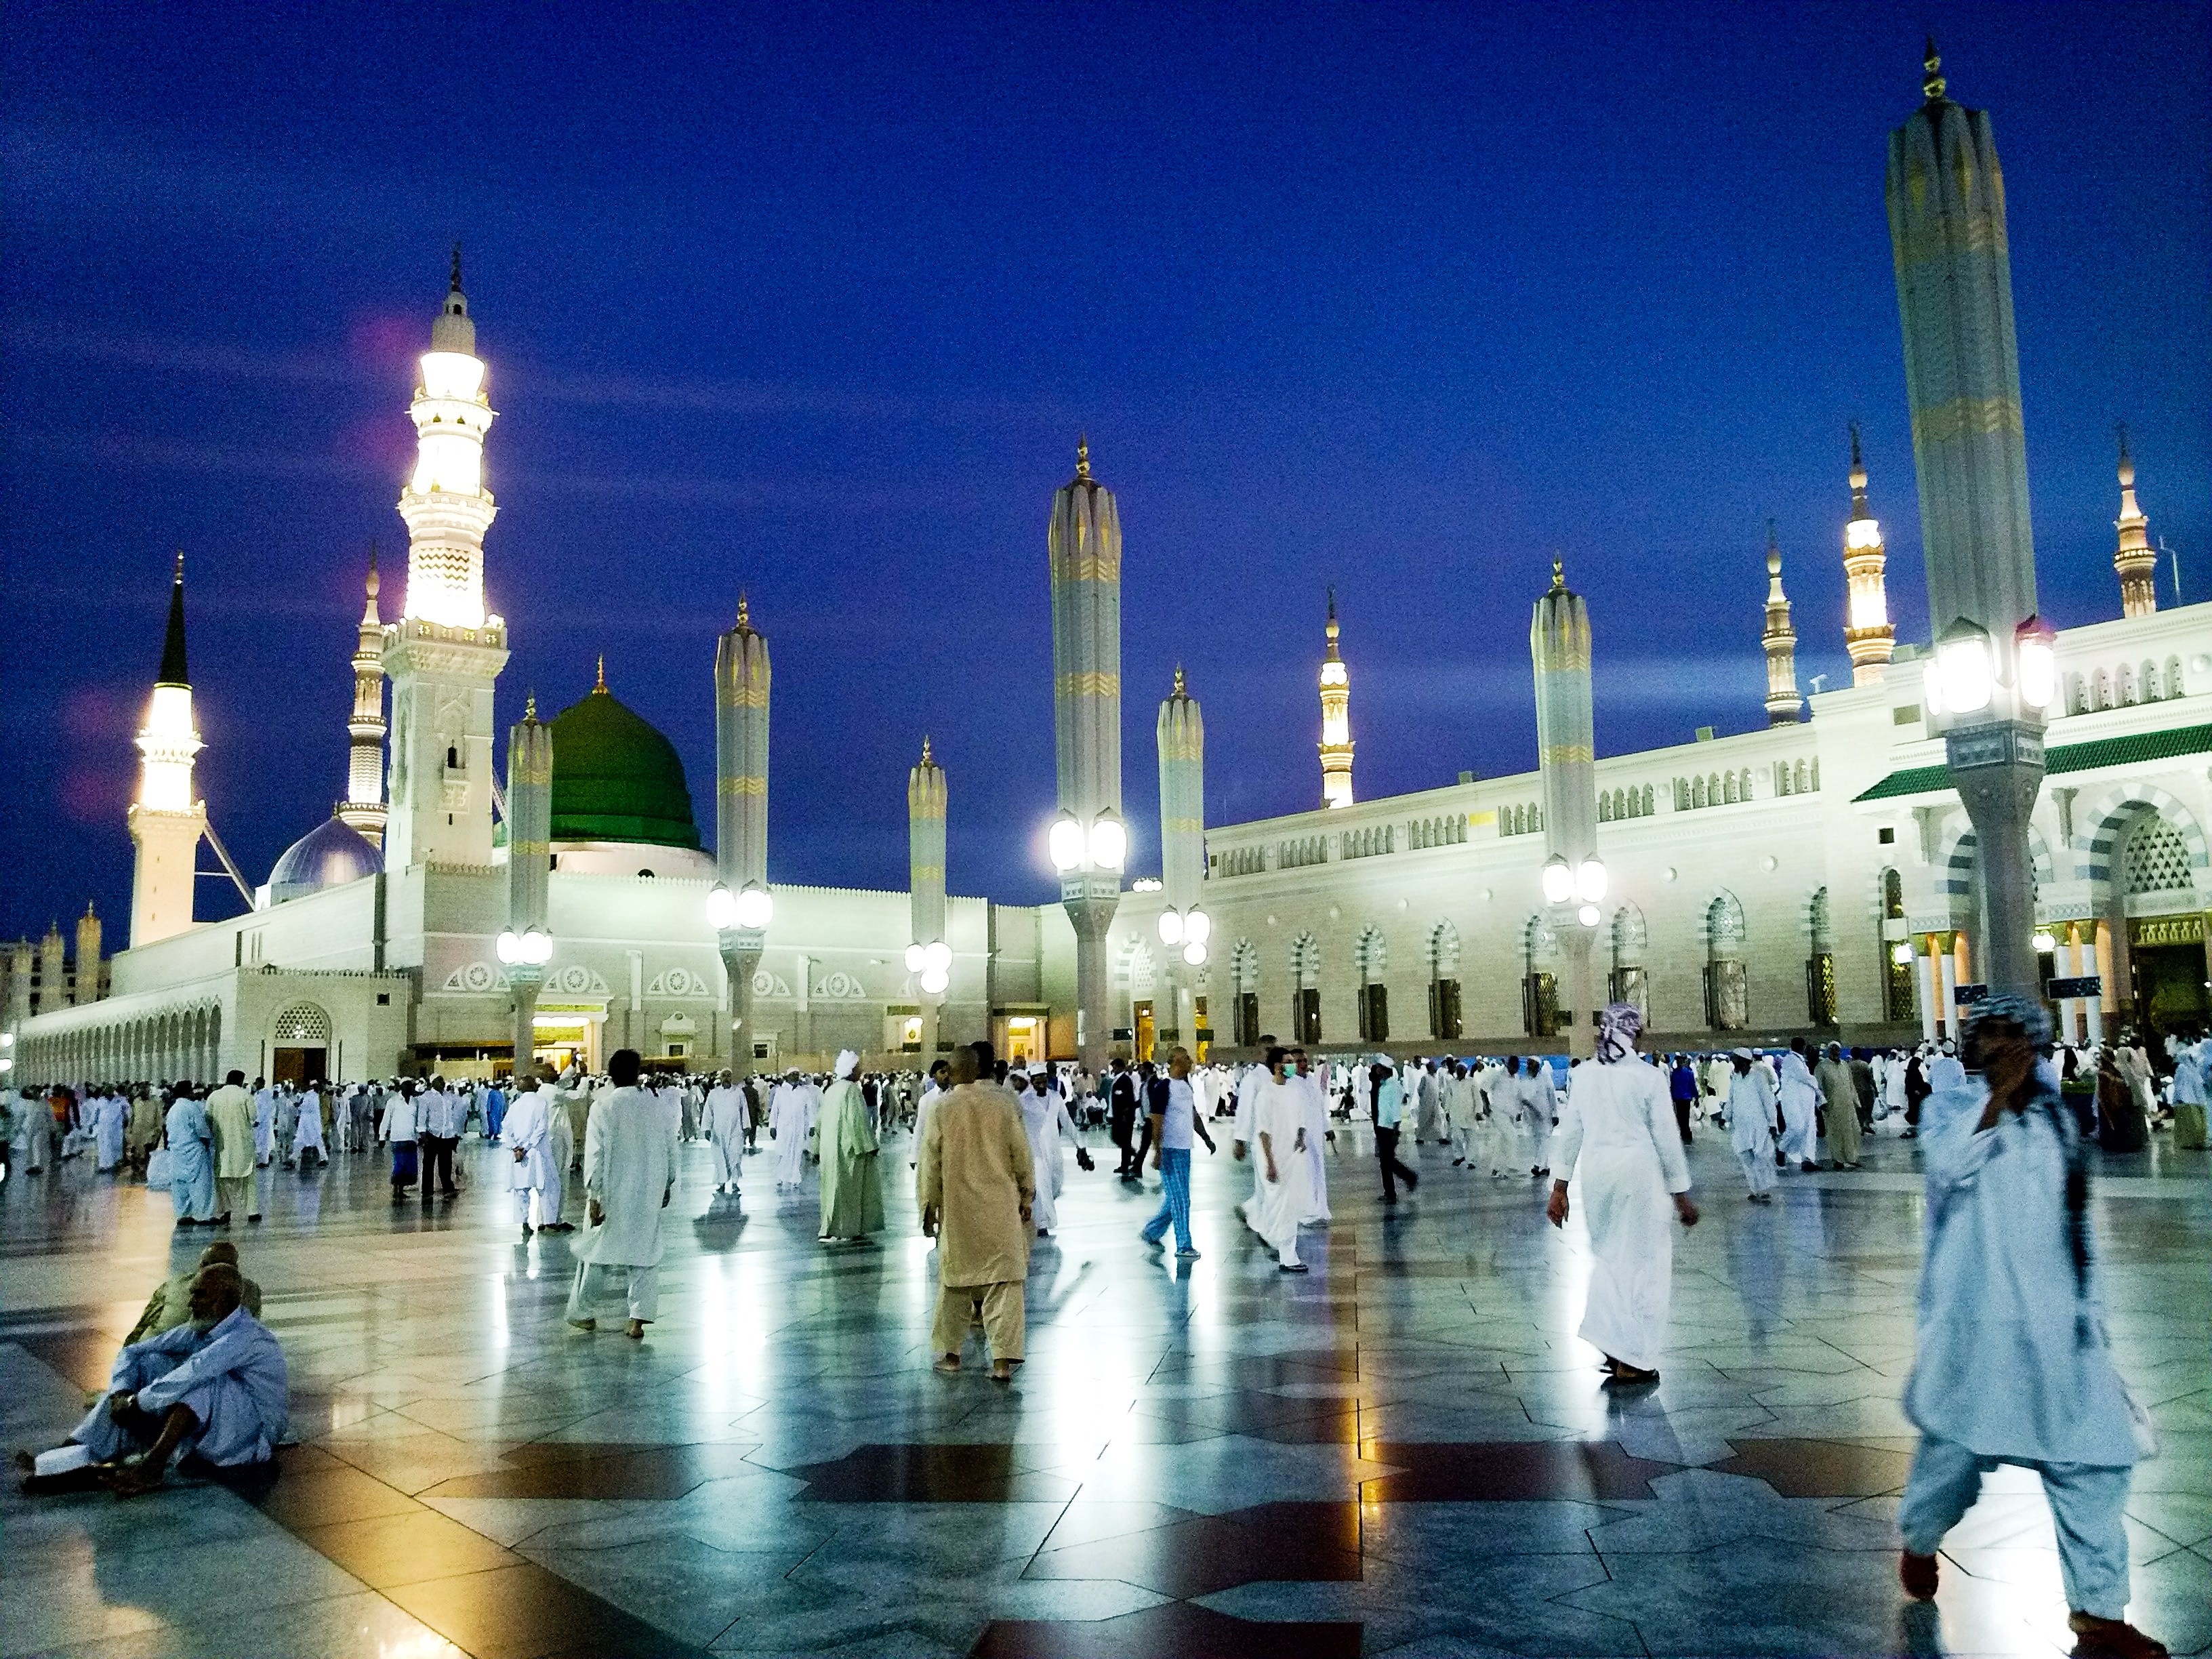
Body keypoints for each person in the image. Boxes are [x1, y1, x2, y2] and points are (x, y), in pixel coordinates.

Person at [1897, 998, 2165, 1659]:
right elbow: (1947, 1166)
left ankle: (2099, 1617)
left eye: (2014, 1037)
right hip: (1977, 1331)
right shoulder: (1949, 1109)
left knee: (2096, 1462)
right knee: (1951, 1466)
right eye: (1989, 1037)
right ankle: (1920, 1538)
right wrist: (1997, 1102)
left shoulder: (2056, 1124)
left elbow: (2075, 1230)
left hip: (2057, 1331)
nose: (2002, 1050)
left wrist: (2089, 1318)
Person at [19, 1263, 286, 1498]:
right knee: (151, 1362)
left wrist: (137, 1404)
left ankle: (151, 1468)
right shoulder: (202, 1327)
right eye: (192, 1292)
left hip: (254, 1432)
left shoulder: (246, 1335)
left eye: (199, 1294)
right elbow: (133, 1351)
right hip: (216, 1423)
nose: (190, 1302)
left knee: (200, 1381)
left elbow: (197, 1370)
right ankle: (65, 1457)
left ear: (225, 1302)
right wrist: (122, 1393)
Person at [1545, 1004, 1699, 1386]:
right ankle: (1635, 1359)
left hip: (1598, 1177)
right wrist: (1681, 1195)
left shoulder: (1582, 1076)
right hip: (1639, 1176)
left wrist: (1559, 1188)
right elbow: (1666, 1137)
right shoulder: (1647, 1077)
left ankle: (1614, 1347)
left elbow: (1570, 1133)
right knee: (1646, 1265)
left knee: (1611, 1258)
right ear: (1635, 1035)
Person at [918, 1043, 1034, 1379]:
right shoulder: (1004, 1103)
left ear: (954, 1073)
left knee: (955, 1284)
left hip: (960, 1210)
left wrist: (929, 1207)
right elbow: (1021, 1154)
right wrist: (1026, 1195)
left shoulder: (942, 1108)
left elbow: (930, 1165)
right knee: (1005, 1284)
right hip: (1000, 1208)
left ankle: (952, 1356)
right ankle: (1001, 1363)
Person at [566, 1049, 674, 1340]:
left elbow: (596, 1156)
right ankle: (637, 1320)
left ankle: (584, 1313)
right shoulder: (656, 1106)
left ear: (611, 1076)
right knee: (645, 1253)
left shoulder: (604, 1108)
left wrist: (594, 1194)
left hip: (613, 1193)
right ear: (637, 1072)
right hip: (648, 1191)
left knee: (598, 1252)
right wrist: (668, 1183)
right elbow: (670, 1147)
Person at [1140, 1046, 1214, 1257]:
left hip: (1184, 1150)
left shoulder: (1185, 1086)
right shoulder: (1164, 1087)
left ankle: (1151, 1231)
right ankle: (1184, 1245)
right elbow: (1157, 1121)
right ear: (1175, 1062)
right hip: (1170, 1151)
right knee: (1181, 1199)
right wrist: (1158, 1150)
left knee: (1175, 1197)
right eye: (1186, 1058)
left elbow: (1192, 1115)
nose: (1191, 1061)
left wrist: (1206, 1138)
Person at [124, 1242, 263, 1347]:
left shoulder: (175, 1285)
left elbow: (144, 1324)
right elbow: (252, 1333)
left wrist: (127, 1354)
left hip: (156, 1352)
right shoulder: (250, 1291)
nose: (191, 1302)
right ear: (235, 1268)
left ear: (202, 1265)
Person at [816, 1050, 884, 1243]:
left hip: (830, 1149)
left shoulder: (832, 1090)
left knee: (831, 1190)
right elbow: (857, 1121)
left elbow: (819, 1121)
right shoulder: (851, 1090)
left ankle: (833, 1226)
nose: (861, 1071)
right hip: (848, 1151)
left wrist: (816, 1148)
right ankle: (843, 1228)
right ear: (851, 1069)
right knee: (846, 1191)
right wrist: (869, 1145)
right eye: (858, 1067)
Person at [1023, 1066, 1086, 1237]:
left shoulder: (1056, 1097)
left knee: (1055, 1184)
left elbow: (1066, 1122)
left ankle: (1043, 1215)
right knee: (1042, 1186)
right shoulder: (1024, 1100)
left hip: (1054, 1149)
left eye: (1044, 1079)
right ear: (1032, 1081)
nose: (1042, 1083)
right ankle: (1042, 1223)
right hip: (1036, 1150)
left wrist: (1080, 1145)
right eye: (1038, 1080)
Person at [506, 1070, 567, 1235]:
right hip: (538, 1152)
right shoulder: (541, 1103)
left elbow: (506, 1127)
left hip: (519, 1154)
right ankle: (549, 1222)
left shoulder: (515, 1105)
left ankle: (525, 1224)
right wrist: (527, 1146)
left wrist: (515, 1147)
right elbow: (541, 1129)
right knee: (549, 1186)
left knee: (522, 1190)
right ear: (534, 1086)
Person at [1727, 1048, 1780, 1203]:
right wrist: (1725, 1117)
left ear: (1744, 1060)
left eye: (1735, 1059)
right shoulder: (1736, 1079)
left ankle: (1764, 1190)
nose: (1733, 1062)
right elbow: (1731, 1099)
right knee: (1746, 1157)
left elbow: (1768, 1101)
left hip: (1759, 1125)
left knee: (1761, 1157)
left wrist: (1772, 1123)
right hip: (1741, 1126)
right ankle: (1754, 1189)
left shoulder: (1758, 1077)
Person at [204, 1070, 257, 1225]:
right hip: (242, 1144)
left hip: (222, 1145)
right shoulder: (245, 1095)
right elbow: (253, 1116)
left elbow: (207, 1117)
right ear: (241, 1081)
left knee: (221, 1180)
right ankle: (252, 1211)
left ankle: (223, 1212)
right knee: (248, 1180)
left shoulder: (214, 1096)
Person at [1371, 1060, 1418, 1204]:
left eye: (1378, 1067)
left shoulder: (1393, 1086)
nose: (1376, 1069)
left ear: (1384, 1069)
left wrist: (1396, 1132)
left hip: (1389, 1129)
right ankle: (1395, 1188)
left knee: (1387, 1162)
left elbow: (1396, 1111)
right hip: (1381, 1127)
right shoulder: (1384, 1085)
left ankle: (1406, 1180)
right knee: (1386, 1162)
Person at [1813, 1041, 1862, 1169]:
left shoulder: (1845, 1065)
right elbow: (1817, 1087)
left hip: (1848, 1105)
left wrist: (1856, 1102)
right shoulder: (1822, 1066)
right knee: (1836, 1134)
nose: (1836, 1052)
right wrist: (1822, 1103)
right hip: (1833, 1106)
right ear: (1829, 1051)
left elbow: (1851, 1084)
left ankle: (1852, 1158)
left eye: (1837, 1050)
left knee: (1854, 1131)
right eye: (1833, 1049)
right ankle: (1838, 1160)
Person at [769, 1068, 817, 1191]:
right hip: (784, 1128)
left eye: (797, 1074)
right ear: (788, 1077)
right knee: (782, 1152)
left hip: (798, 1128)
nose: (795, 1076)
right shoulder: (781, 1092)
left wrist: (811, 1125)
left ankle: (795, 1178)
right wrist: (772, 1126)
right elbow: (775, 1110)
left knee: (797, 1153)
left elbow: (809, 1110)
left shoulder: (804, 1092)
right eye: (793, 1074)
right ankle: (780, 1177)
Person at [1776, 1038, 1820, 1172]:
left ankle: (1807, 1160)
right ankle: (1781, 1149)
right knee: (1797, 1128)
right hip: (1793, 1102)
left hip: (1805, 1103)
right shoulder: (1791, 1060)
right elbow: (1804, 1077)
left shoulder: (1800, 1060)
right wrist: (1815, 1083)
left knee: (1809, 1130)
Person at [419, 1075, 464, 1200]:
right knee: (429, 1164)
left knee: (446, 1163)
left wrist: (455, 1133)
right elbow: (422, 1116)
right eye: (440, 1081)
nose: (443, 1083)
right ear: (433, 1083)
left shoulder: (448, 1096)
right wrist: (422, 1134)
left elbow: (455, 1112)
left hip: (447, 1135)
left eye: (443, 1081)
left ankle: (448, 1188)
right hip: (432, 1134)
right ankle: (427, 1190)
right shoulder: (426, 1097)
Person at [704, 1069, 747, 1195]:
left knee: (735, 1156)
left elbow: (744, 1110)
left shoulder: (738, 1093)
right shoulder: (713, 1093)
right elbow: (708, 1112)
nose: (727, 1078)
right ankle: (721, 1184)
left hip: (735, 1131)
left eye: (729, 1076)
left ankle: (735, 1183)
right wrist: (707, 1128)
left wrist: (746, 1126)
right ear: (721, 1078)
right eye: (724, 1076)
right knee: (720, 1157)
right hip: (719, 1131)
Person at [383, 1079, 422, 1201]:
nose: (410, 1089)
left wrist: (420, 1136)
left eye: (411, 1086)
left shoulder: (415, 1102)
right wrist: (382, 1136)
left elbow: (418, 1121)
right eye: (408, 1086)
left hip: (411, 1137)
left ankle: (402, 1189)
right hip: (397, 1137)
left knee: (409, 1166)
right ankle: (396, 1189)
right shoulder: (393, 1101)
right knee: (399, 1164)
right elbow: (386, 1119)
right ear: (402, 1087)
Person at [1107, 1058, 1140, 1179]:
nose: (1114, 1069)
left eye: (1115, 1067)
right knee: (1117, 1138)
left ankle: (1126, 1163)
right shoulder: (1117, 1080)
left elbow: (1128, 1099)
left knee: (1124, 1140)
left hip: (1124, 1117)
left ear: (1120, 1067)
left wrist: (1125, 1115)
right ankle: (1129, 1158)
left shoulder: (1125, 1080)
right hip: (1118, 1116)